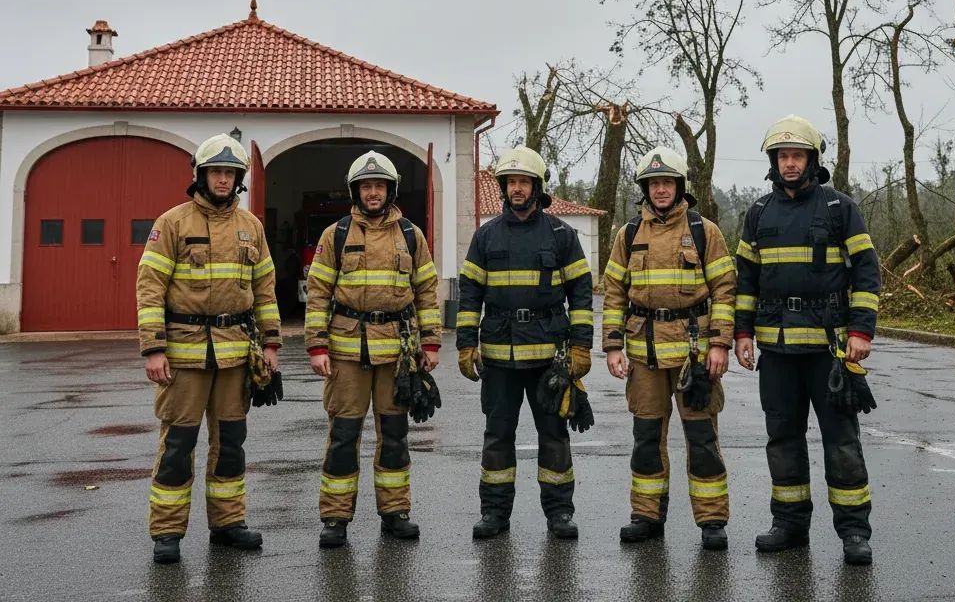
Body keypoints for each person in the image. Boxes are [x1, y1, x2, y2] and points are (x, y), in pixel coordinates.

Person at [733, 116, 880, 566]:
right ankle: (790, 524)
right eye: (782, 156)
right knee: (782, 439)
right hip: (775, 351)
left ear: (812, 160)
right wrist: (742, 333)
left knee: (841, 441)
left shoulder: (840, 209)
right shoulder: (758, 213)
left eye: (797, 155)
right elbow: (746, 281)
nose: (789, 163)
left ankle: (854, 531)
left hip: (829, 350)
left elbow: (867, 271)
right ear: (774, 162)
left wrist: (861, 331)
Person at [136, 133, 282, 565]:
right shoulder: (173, 223)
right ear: (200, 175)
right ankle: (167, 531)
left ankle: (227, 523)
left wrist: (271, 345)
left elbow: (265, 289)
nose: (223, 179)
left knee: (231, 442)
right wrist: (153, 349)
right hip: (182, 354)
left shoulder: (251, 226)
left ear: (238, 179)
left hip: (235, 354)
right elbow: (150, 288)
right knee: (179, 444)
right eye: (216, 171)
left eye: (230, 173)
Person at [304, 151, 441, 547]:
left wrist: (430, 343)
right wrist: (317, 346)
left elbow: (428, 293)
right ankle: (335, 518)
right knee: (344, 435)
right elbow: (318, 294)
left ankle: (395, 513)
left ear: (390, 190)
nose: (373, 193)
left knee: (395, 435)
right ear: (356, 191)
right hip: (347, 354)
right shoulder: (337, 234)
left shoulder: (412, 236)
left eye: (380, 185)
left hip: (397, 355)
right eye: (367, 186)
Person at [456, 147, 594, 540]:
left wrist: (581, 346)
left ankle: (559, 514)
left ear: (537, 187)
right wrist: (466, 345)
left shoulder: (561, 234)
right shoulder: (485, 236)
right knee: (498, 436)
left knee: (554, 436)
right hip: (499, 358)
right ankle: (495, 514)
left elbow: (581, 293)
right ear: (503, 187)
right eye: (511, 182)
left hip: (549, 360)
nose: (516, 189)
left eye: (524, 182)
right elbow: (469, 295)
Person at [603, 147, 736, 549]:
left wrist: (720, 344)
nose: (660, 190)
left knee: (702, 439)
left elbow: (726, 289)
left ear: (679, 187)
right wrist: (612, 347)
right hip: (644, 354)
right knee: (646, 437)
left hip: (694, 357)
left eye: (667, 183)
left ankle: (712, 521)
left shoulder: (704, 231)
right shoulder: (627, 235)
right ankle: (646, 516)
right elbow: (613, 293)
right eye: (654, 183)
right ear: (645, 188)